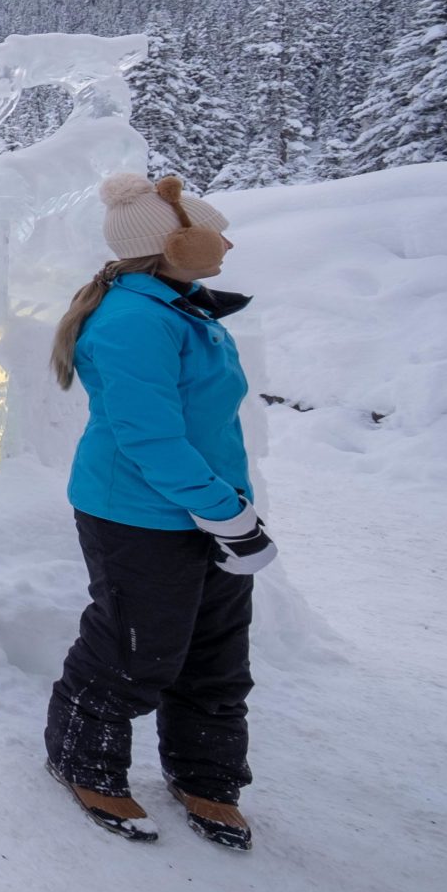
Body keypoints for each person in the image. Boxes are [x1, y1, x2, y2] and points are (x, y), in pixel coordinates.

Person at [45, 173, 273, 850]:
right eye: (213, 229)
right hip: (139, 513)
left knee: (216, 654)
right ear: (172, 245)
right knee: (135, 649)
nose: (227, 240)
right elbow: (151, 439)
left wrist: (228, 510)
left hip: (207, 506)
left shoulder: (182, 306)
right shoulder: (132, 321)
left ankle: (208, 774)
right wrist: (226, 514)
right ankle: (83, 757)